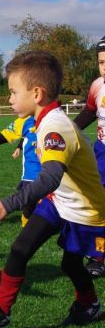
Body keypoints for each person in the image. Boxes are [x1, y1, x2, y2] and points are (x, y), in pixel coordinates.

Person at [0, 51, 105, 328]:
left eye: (13, 92)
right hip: (60, 202)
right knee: (20, 249)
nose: (9, 99)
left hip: (88, 211)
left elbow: (51, 177)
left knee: (71, 264)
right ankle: (2, 310)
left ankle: (88, 304)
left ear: (37, 93)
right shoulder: (42, 121)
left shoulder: (55, 126)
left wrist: (7, 204)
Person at [72, 35, 105, 278]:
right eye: (102, 62)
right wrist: (67, 131)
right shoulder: (97, 86)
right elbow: (89, 114)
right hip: (102, 153)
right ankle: (99, 256)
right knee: (98, 203)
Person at [0, 115, 40, 226]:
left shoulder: (55, 119)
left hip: (55, 169)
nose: (11, 101)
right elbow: (4, 136)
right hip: (32, 171)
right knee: (30, 203)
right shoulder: (24, 121)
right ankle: (26, 223)